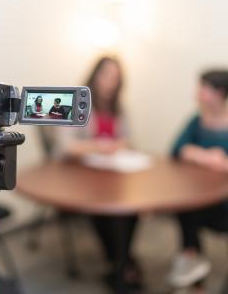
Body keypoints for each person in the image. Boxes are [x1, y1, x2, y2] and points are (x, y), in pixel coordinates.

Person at [168, 69, 228, 288]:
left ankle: (190, 260)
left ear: (220, 93)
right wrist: (205, 155)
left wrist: (224, 162)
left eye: (203, 88)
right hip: (205, 188)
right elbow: (176, 149)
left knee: (190, 206)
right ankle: (192, 260)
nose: (197, 93)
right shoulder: (198, 120)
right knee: (186, 201)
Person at [55, 56, 140, 292]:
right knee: (104, 210)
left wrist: (117, 146)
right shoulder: (74, 102)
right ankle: (121, 263)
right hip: (81, 176)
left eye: (116, 78)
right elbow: (66, 147)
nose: (110, 83)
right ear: (94, 75)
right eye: (106, 76)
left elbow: (128, 140)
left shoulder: (119, 108)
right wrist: (98, 146)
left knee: (131, 209)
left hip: (112, 173)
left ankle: (121, 261)